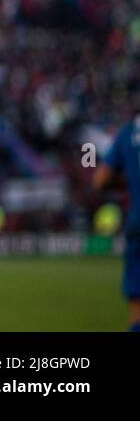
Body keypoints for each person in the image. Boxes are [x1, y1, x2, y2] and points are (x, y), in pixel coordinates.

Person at [94, 114, 140, 331]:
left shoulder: (130, 132)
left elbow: (100, 180)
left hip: (138, 223)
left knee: (138, 306)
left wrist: (130, 178)